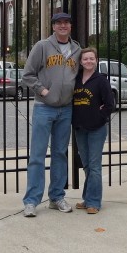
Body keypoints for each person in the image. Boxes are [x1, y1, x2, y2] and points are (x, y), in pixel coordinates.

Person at [21, 12, 81, 217]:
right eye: (59, 23)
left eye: (66, 22)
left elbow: (80, 76)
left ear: (70, 26)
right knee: (37, 156)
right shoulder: (42, 46)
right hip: (44, 108)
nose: (63, 26)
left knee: (60, 154)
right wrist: (42, 90)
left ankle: (56, 197)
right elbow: (27, 75)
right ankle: (31, 201)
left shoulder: (77, 49)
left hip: (66, 109)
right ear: (53, 26)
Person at [72, 47, 115, 214]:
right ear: (81, 62)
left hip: (97, 129)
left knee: (95, 166)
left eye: (91, 58)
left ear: (96, 60)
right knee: (87, 166)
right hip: (80, 129)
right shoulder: (75, 80)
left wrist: (100, 116)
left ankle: (94, 203)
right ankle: (87, 198)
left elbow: (110, 104)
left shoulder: (101, 80)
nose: (88, 61)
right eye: (85, 59)